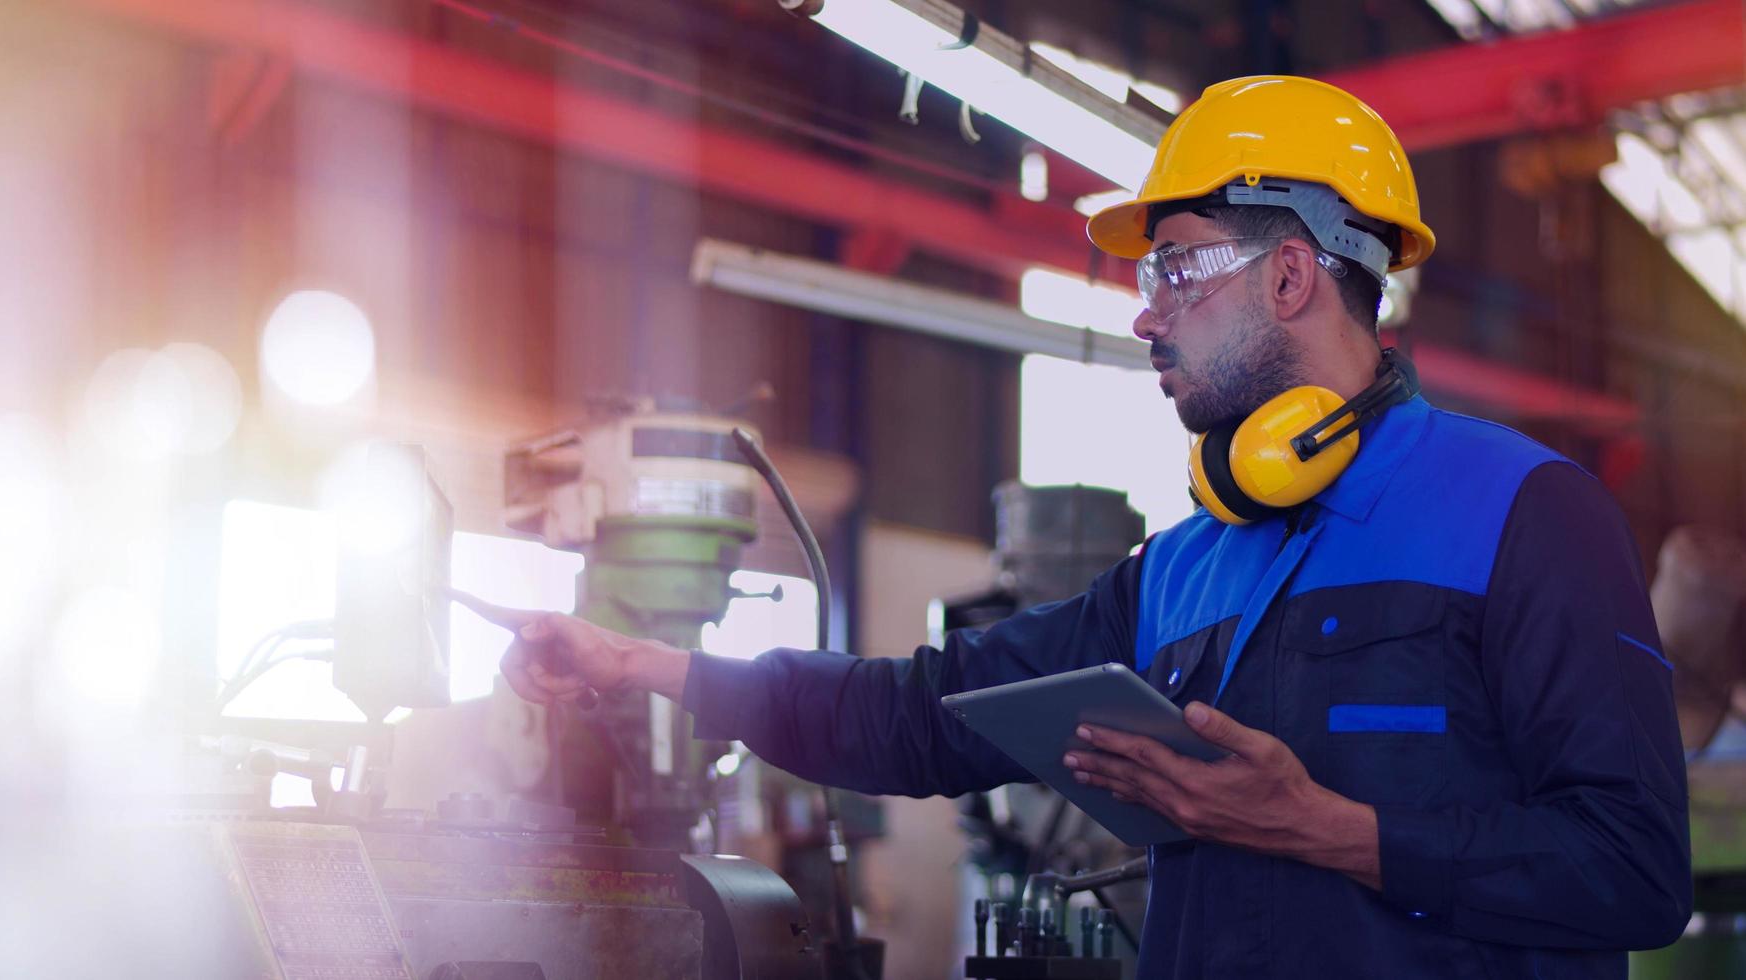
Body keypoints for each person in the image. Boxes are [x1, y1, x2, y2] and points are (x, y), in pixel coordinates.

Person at [488, 76, 1690, 977]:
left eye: (1172, 270)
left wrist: (1337, 832)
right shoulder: (1176, 572)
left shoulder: (1522, 511)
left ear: (1288, 278)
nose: (1144, 318)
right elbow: (921, 715)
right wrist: (646, 664)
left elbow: (1633, 872)